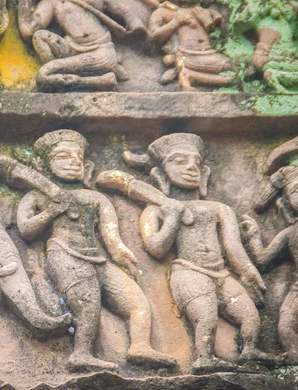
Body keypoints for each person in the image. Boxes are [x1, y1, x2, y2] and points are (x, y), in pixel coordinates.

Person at [17, 129, 177, 371]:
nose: (73, 161)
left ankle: (140, 346)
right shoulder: (37, 195)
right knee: (88, 300)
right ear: (45, 165)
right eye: (63, 156)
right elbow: (26, 229)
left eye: (78, 157)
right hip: (64, 254)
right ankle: (81, 353)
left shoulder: (95, 197)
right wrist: (51, 211)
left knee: (136, 301)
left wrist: (120, 252)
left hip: (97, 258)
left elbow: (109, 233)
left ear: (87, 166)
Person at [117, 133, 274, 374]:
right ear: (160, 174)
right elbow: (157, 248)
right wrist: (172, 215)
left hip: (221, 273)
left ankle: (250, 350)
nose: (191, 167)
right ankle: (204, 358)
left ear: (205, 173)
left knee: (250, 315)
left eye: (196, 163)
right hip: (189, 272)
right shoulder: (155, 211)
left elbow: (232, 245)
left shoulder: (218, 208)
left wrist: (247, 270)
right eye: (179, 161)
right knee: (206, 316)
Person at [241, 134, 298, 365]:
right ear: (286, 200)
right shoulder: (290, 233)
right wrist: (253, 236)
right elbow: (262, 261)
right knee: (287, 322)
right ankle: (294, 356)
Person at [16, 0, 142, 91]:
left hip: (100, 54)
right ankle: (57, 71)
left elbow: (116, 7)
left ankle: (99, 82)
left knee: (43, 76)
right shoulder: (51, 3)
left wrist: (133, 21)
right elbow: (28, 31)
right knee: (39, 36)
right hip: (72, 50)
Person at [148, 2, 237, 89]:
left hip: (209, 53)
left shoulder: (198, 10)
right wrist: (176, 22)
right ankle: (187, 75)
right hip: (188, 54)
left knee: (237, 70)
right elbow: (154, 37)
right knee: (234, 76)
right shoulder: (162, 12)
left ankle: (189, 75)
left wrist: (211, 14)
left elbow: (217, 23)